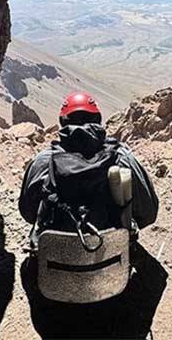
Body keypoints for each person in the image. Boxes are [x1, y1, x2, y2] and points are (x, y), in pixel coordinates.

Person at [19, 91, 158, 249]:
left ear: (63, 122)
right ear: (98, 120)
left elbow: (28, 212)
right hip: (112, 256)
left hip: (55, 259)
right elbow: (148, 213)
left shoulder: (43, 161)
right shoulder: (122, 158)